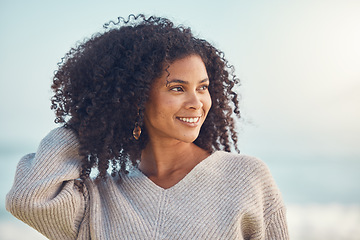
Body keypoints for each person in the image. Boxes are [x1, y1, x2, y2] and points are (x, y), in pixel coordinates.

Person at [6, 14, 289, 239]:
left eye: (203, 88)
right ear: (135, 98)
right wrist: (94, 120)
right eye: (177, 88)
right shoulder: (99, 197)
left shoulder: (246, 177)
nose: (197, 102)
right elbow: (28, 199)